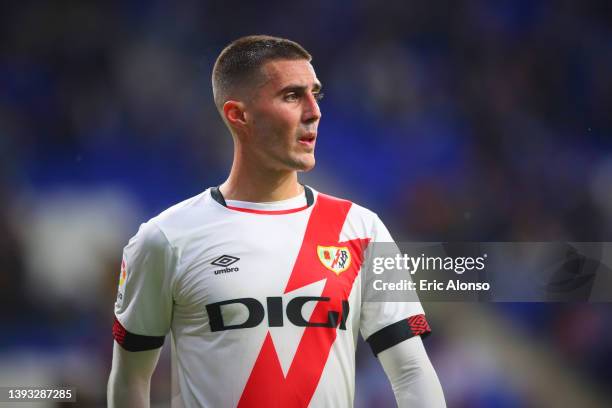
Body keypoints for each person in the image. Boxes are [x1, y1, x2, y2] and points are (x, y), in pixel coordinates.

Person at [107, 35, 446, 408]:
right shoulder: (165, 239)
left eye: (316, 94)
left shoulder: (361, 229)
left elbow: (411, 369)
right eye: (291, 95)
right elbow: (130, 379)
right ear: (238, 115)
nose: (314, 111)